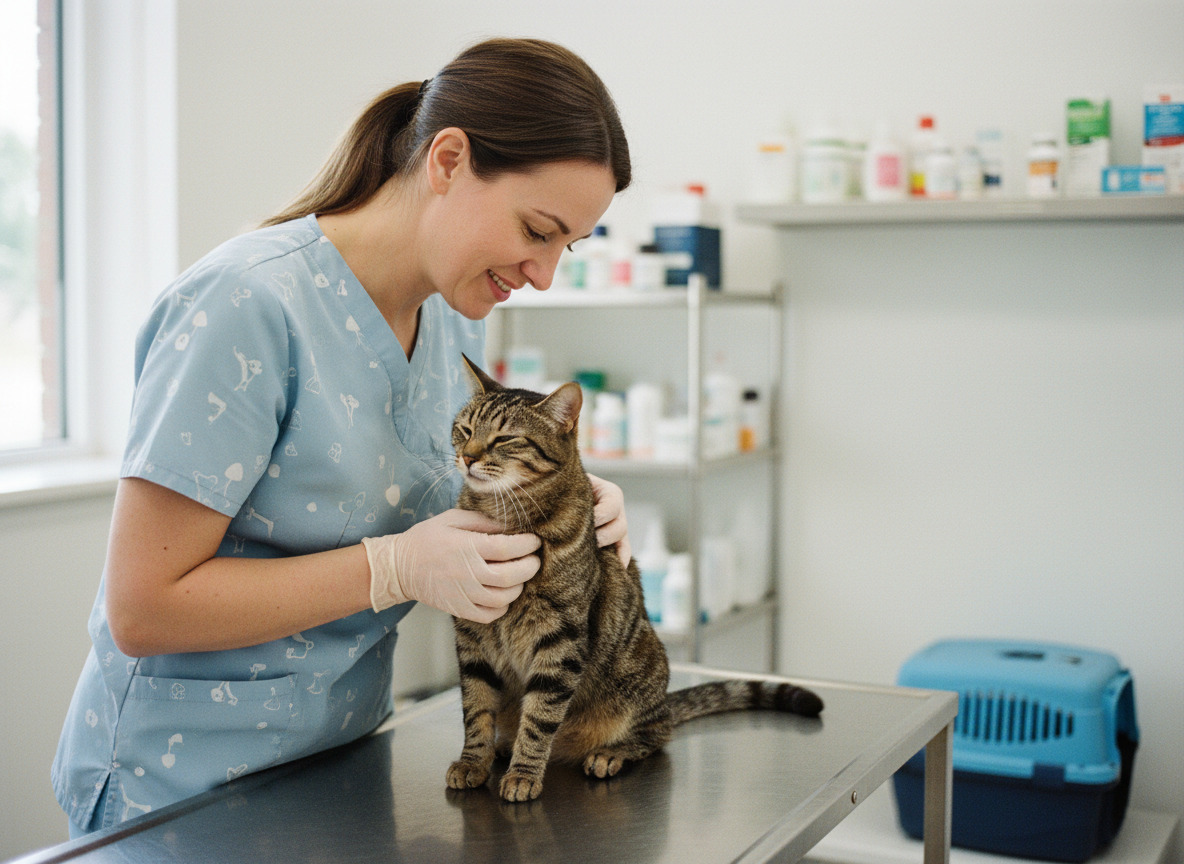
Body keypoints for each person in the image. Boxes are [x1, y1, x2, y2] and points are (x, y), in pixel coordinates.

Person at [53, 37, 633, 837]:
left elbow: (439, 492)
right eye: (538, 230)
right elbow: (144, 608)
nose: (544, 274)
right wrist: (391, 568)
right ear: (449, 160)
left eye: (568, 246)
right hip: (180, 788)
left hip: (339, 764)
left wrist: (565, 504)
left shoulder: (440, 326)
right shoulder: (246, 304)